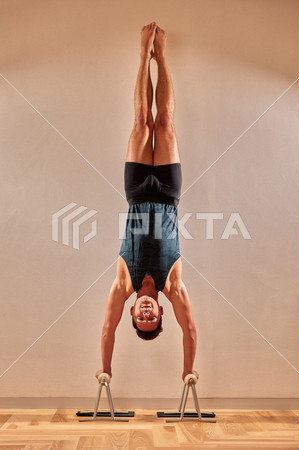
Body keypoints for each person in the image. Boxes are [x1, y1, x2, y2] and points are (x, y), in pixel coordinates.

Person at [96, 22, 198, 382]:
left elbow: (108, 328)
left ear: (134, 314)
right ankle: (163, 58)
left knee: (142, 122)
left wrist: (105, 369)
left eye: (140, 318)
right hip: (169, 194)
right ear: (160, 313)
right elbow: (190, 332)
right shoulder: (174, 287)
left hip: (137, 192)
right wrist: (188, 370)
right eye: (152, 318)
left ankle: (144, 56)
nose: (145, 313)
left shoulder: (124, 285)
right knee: (165, 123)